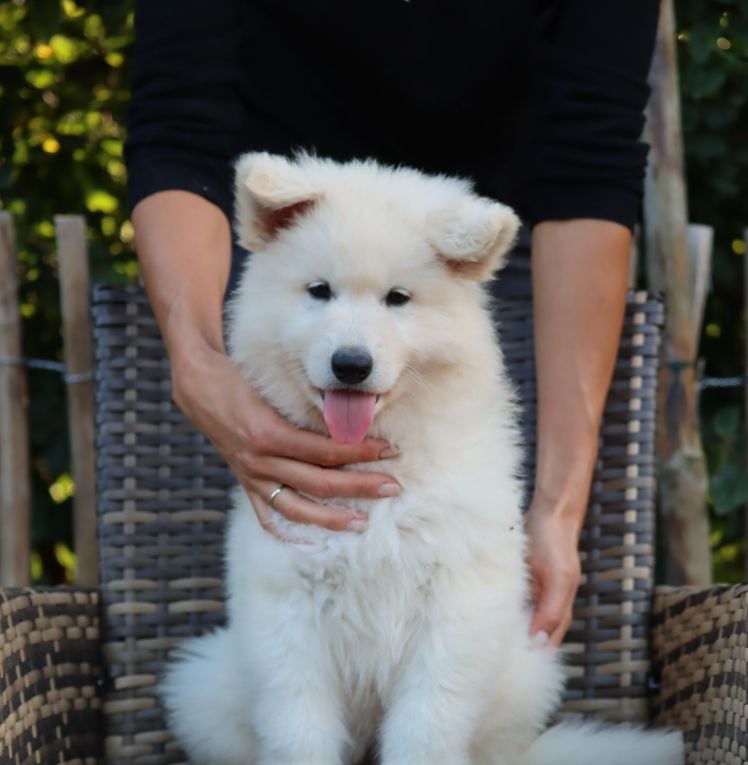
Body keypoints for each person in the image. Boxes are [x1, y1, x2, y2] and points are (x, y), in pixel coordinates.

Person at [125, 0, 661, 648]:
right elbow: (178, 123)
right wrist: (200, 365)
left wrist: (558, 503)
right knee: (267, 577)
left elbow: (588, 160)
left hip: (468, 247)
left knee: (477, 581)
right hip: (287, 218)